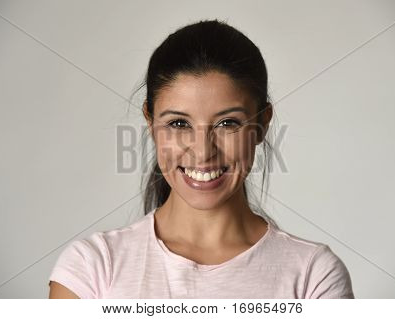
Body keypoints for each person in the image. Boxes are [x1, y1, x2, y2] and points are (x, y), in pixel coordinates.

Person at [49, 19, 354, 299]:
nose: (203, 152)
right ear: (151, 122)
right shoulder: (91, 268)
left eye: (228, 123)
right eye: (179, 124)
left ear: (262, 124)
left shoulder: (315, 276)